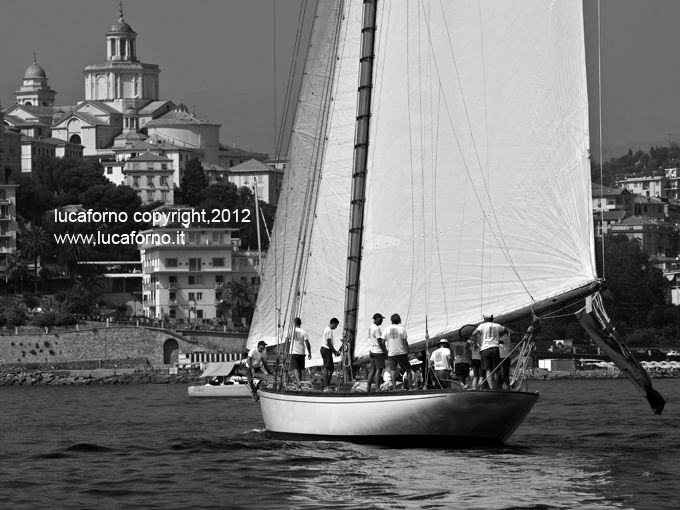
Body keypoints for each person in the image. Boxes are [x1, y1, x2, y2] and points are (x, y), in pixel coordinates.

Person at [469, 314, 507, 390]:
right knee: (496, 369)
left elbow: (473, 333)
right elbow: (505, 330)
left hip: (485, 349)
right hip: (495, 348)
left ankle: (491, 387)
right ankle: (496, 387)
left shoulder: (482, 326)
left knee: (488, 369)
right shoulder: (497, 325)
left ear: (485, 319)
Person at [382, 313, 413, 391]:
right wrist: (408, 352)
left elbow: (382, 342)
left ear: (391, 320)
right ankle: (410, 388)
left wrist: (385, 351)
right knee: (408, 370)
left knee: (392, 371)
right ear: (399, 320)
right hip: (401, 352)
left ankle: (395, 389)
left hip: (391, 353)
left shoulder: (386, 329)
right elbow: (405, 342)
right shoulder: (402, 329)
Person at [366, 313, 388, 392]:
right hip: (378, 352)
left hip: (372, 351)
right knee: (379, 370)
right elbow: (380, 342)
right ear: (377, 319)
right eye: (381, 319)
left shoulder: (370, 327)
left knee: (372, 370)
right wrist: (385, 351)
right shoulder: (377, 328)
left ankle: (368, 388)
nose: (382, 321)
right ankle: (377, 389)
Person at [289, 317, 312, 389]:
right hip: (301, 353)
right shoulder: (303, 332)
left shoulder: (290, 331)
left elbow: (287, 341)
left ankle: (298, 382)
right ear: (300, 323)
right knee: (300, 369)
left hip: (293, 352)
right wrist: (309, 352)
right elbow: (307, 343)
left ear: (294, 323)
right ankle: (299, 383)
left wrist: (286, 351)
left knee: (295, 368)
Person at [320, 318, 341, 390]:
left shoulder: (326, 329)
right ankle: (326, 386)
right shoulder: (329, 330)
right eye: (336, 325)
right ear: (334, 323)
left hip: (326, 350)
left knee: (331, 368)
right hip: (326, 350)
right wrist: (335, 352)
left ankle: (327, 384)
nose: (336, 327)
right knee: (327, 367)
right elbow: (328, 343)